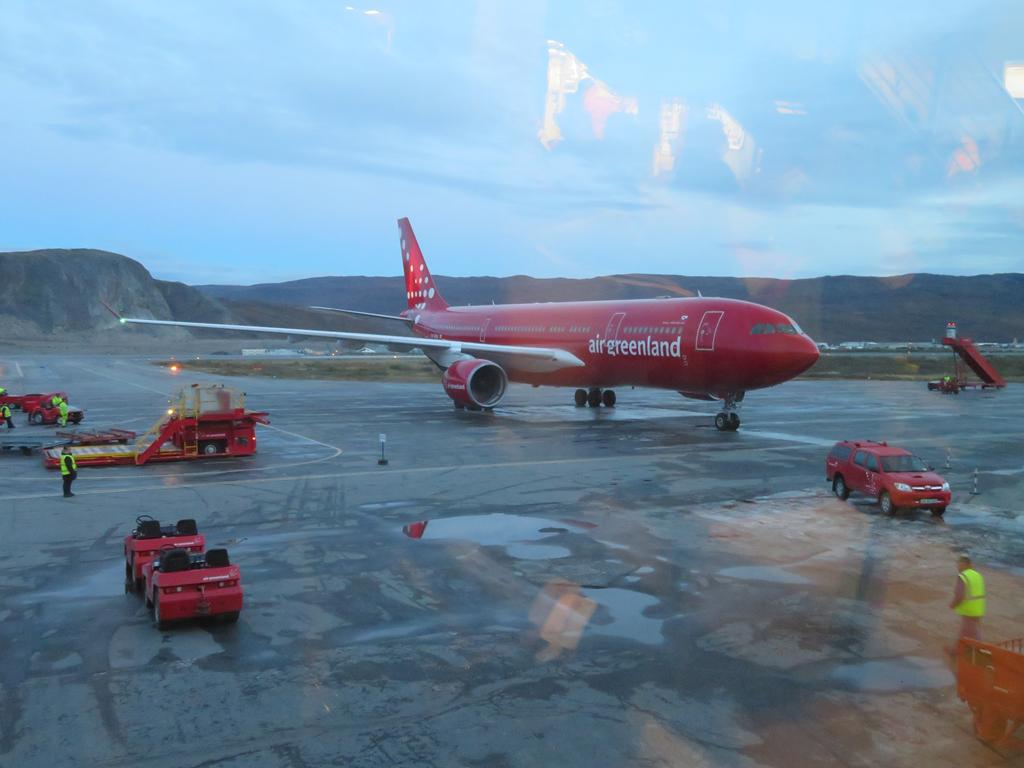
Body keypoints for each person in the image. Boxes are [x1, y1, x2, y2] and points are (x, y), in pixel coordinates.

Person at [949, 554, 985, 649]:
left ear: (964, 564)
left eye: (958, 564)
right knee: (972, 631)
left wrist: (953, 605)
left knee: (969, 632)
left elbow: (959, 595)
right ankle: (958, 651)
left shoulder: (963, 576)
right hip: (979, 608)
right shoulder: (977, 575)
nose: (957, 567)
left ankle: (958, 652)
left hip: (969, 609)